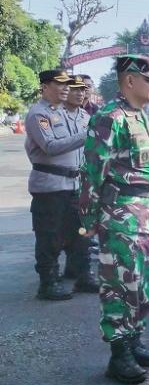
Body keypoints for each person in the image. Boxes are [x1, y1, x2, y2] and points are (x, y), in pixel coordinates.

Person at [79, 55, 149, 385]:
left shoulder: (144, 116)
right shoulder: (110, 118)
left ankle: (134, 341)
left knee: (143, 284)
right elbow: (91, 173)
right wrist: (88, 218)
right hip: (121, 216)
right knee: (120, 284)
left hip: (148, 213)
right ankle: (119, 354)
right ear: (129, 81)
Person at [24, 69, 92, 300]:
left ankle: (83, 274)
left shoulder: (70, 114)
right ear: (44, 86)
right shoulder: (39, 115)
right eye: (60, 84)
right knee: (49, 236)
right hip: (50, 186)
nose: (66, 88)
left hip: (74, 184)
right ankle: (48, 283)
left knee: (81, 233)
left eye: (67, 85)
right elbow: (50, 146)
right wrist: (86, 134)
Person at [61, 74, 100, 291]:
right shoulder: (56, 115)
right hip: (60, 180)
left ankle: (84, 273)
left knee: (84, 228)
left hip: (84, 179)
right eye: (76, 88)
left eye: (84, 88)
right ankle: (69, 268)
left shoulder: (89, 114)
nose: (81, 92)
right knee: (61, 230)